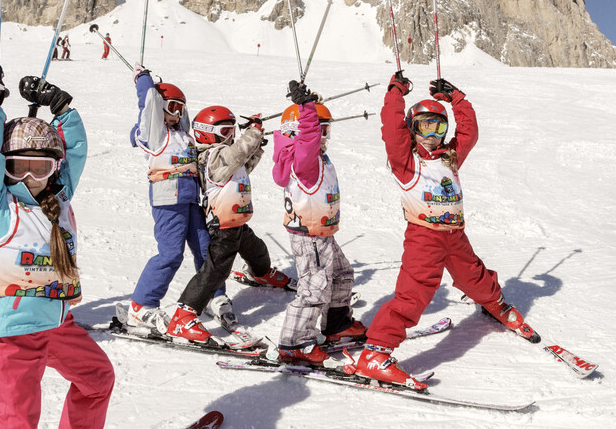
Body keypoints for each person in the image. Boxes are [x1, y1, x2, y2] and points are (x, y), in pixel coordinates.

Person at [346, 72, 534, 389]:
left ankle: (495, 304)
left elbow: (470, 132)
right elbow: (392, 131)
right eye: (424, 126)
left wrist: (457, 99)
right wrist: (395, 94)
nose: (432, 134)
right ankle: (375, 354)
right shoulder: (406, 161)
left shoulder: (450, 157)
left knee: (473, 275)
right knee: (412, 295)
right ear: (412, 129)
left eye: (439, 126)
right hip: (424, 238)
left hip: (455, 236)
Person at [0, 64, 114, 428]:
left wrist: (62, 109)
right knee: (18, 420)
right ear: (5, 169)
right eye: (19, 168)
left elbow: (73, 152)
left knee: (97, 380)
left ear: (53, 169)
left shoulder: (57, 199)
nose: (30, 179)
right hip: (14, 334)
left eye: (40, 168)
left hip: (59, 324)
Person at [164, 105, 293, 347]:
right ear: (206, 133)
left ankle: (262, 273)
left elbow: (242, 164)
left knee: (256, 250)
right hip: (223, 226)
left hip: (237, 222)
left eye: (231, 131)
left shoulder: (225, 156)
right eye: (224, 132)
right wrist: (252, 134)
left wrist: (257, 147)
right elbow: (235, 156)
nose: (230, 136)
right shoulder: (212, 156)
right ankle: (184, 315)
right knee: (216, 271)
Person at [114, 67, 227, 333]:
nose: (177, 114)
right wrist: (144, 81)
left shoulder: (184, 135)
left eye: (181, 108)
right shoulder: (157, 135)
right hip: (168, 202)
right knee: (171, 254)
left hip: (191, 201)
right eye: (172, 107)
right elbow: (149, 104)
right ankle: (142, 306)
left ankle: (214, 296)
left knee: (206, 251)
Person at [271, 80, 365, 366]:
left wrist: (311, 111)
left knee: (341, 273)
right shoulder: (304, 161)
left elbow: (308, 141)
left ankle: (337, 324)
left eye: (327, 130)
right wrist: (308, 111)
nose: (324, 137)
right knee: (314, 288)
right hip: (309, 236)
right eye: (320, 130)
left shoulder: (311, 157)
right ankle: (294, 343)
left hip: (322, 233)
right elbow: (307, 141)